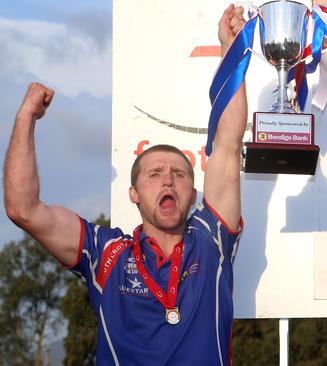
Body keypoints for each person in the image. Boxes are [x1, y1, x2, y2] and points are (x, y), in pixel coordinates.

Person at [3, 5, 247, 365]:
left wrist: (232, 51)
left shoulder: (211, 237)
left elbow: (228, 143)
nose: (168, 178)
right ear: (133, 193)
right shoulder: (106, 253)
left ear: (193, 194)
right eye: (154, 174)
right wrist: (25, 117)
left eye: (179, 174)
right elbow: (23, 209)